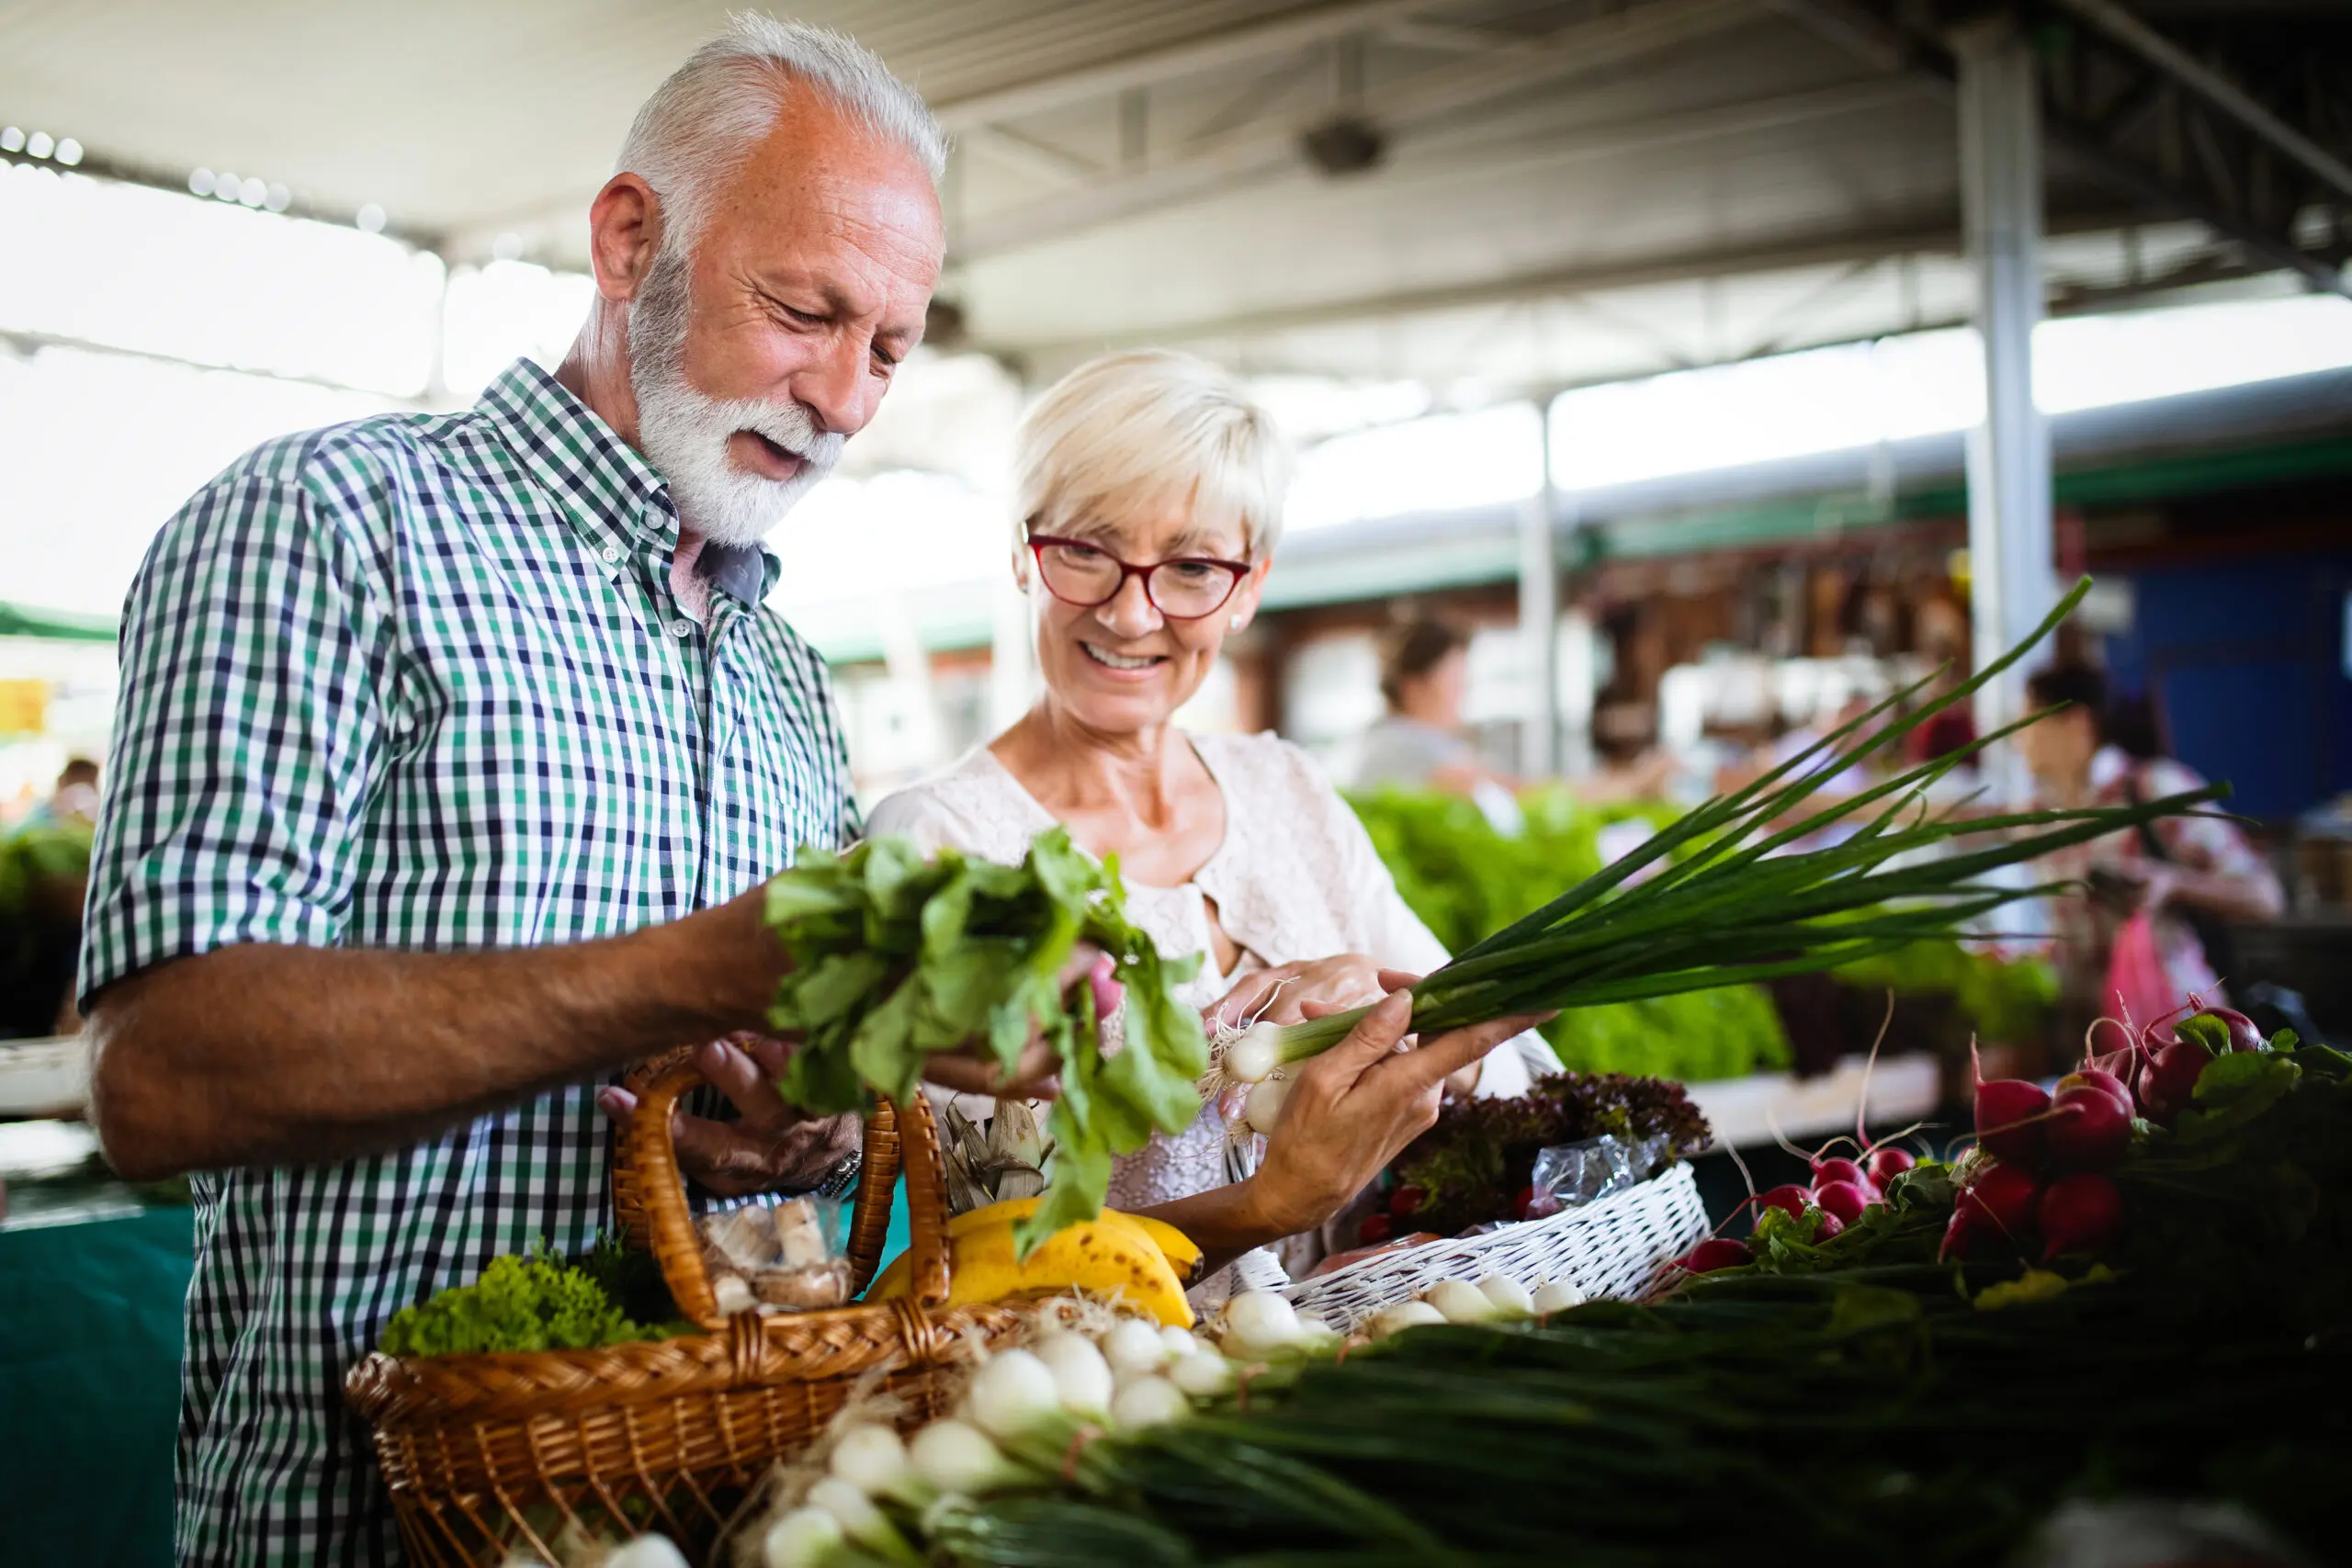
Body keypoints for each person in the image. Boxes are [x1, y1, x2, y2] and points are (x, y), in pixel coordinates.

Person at [80, 26, 1496, 1562]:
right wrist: (694, 969)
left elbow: (798, 1179)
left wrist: (804, 1125)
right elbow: (160, 1079)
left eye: (889, 346)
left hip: (732, 1517)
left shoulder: (780, 674)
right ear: (631, 242)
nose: (843, 396)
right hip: (366, 1523)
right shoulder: (329, 526)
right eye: (803, 310)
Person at [866, 353, 1550, 1291]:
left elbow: (1520, 1075)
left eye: (1190, 567)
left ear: (1247, 588)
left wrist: (1400, 1025)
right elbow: (980, 1260)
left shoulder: (1286, 794)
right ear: (1023, 555)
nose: (1131, 610)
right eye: (1086, 551)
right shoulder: (940, 843)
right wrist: (1267, 1210)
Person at [2017, 665, 2283, 1041]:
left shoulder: (2153, 790)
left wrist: (2173, 883)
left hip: (2178, 1039)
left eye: (2028, 723)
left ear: (2075, 723)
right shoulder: (2041, 816)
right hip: (2093, 1044)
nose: (2018, 740)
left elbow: (2264, 897)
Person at [1352, 614, 1670, 828]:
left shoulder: (1413, 743)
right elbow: (1522, 795)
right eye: (1454, 682)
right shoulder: (1400, 747)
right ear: (1414, 688)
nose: (1464, 695)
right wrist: (1632, 783)